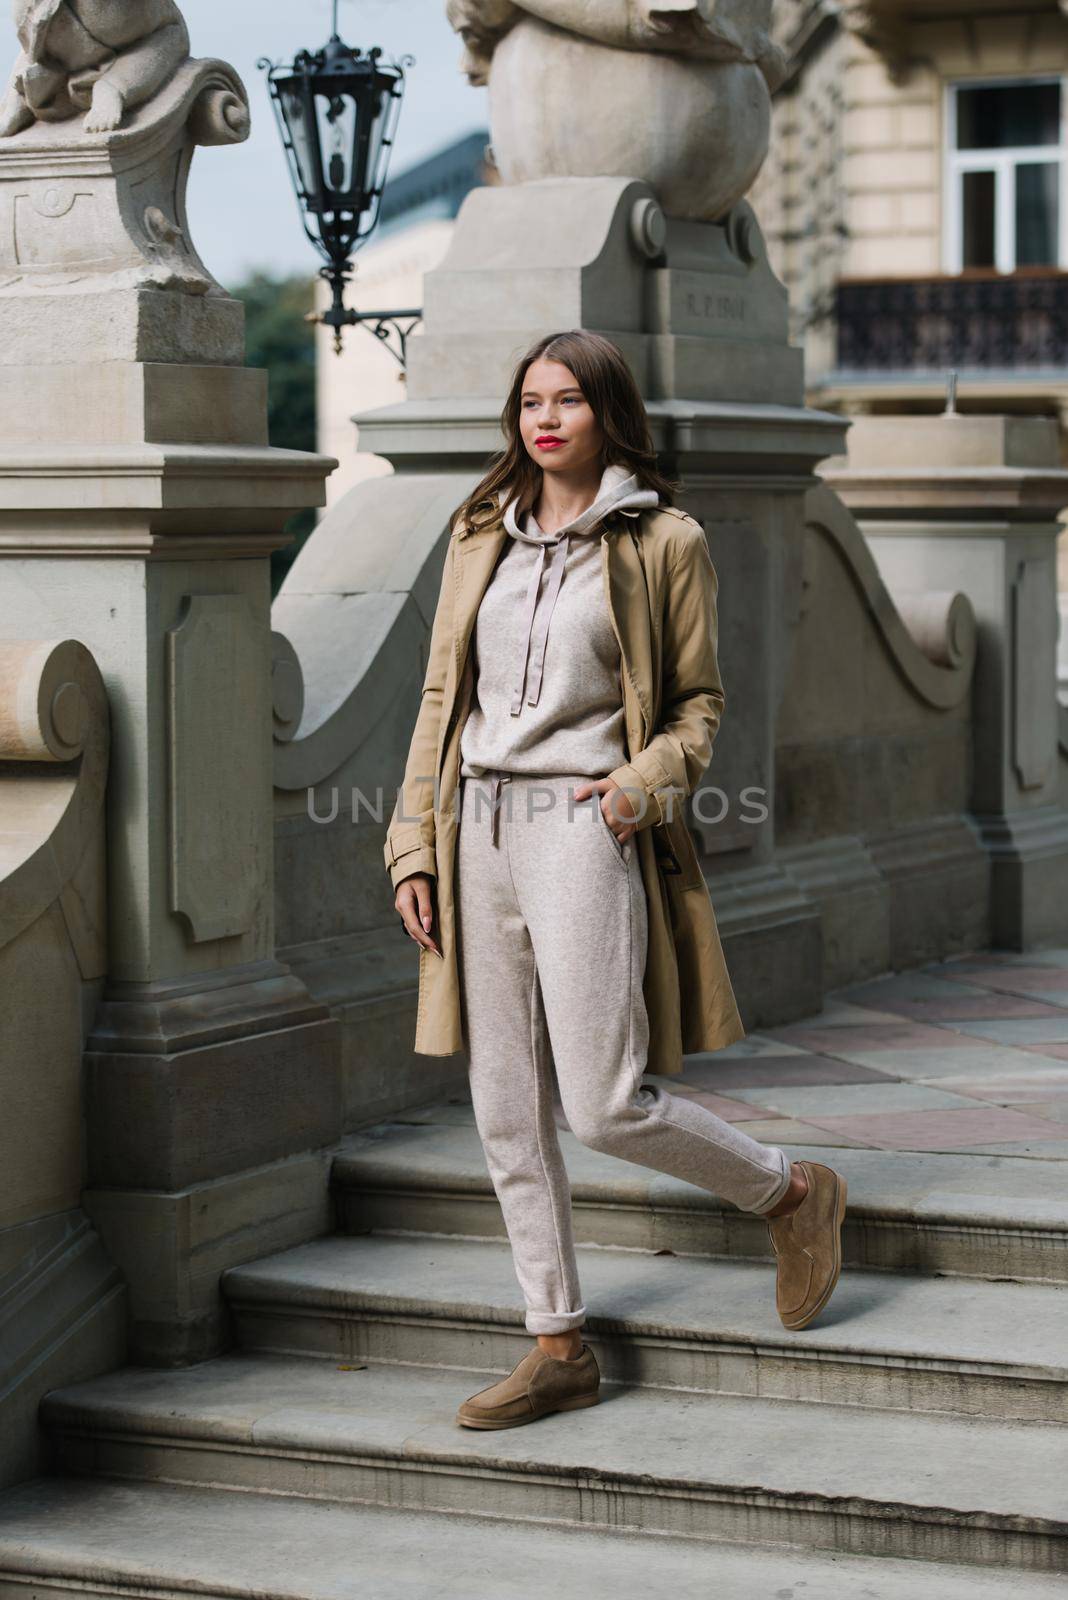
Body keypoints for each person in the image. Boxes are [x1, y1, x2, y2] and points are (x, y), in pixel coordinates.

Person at [386, 329, 847, 1430]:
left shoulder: (662, 541)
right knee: (504, 1108)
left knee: (601, 1102)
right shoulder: (476, 532)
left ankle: (790, 1189)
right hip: (476, 825)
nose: (544, 419)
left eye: (569, 402)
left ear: (608, 414)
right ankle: (557, 1342)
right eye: (530, 402)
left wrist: (638, 789)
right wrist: (412, 842)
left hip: (584, 823)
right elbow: (441, 694)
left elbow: (700, 703)